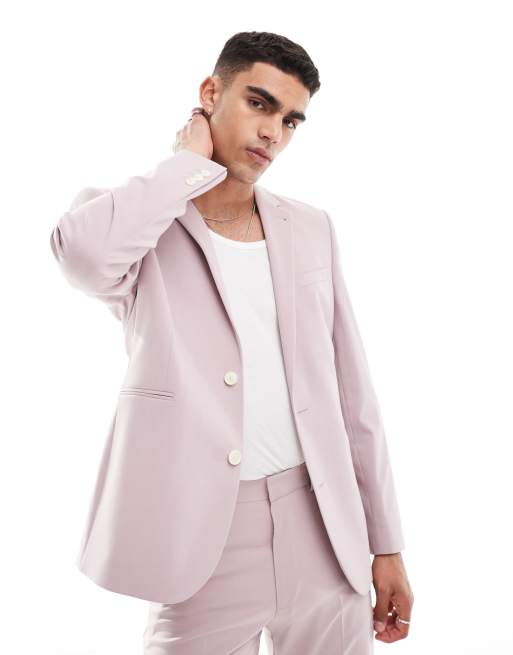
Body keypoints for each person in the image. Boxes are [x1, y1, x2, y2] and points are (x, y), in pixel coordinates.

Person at [50, 30, 413, 654]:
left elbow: (354, 397)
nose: (273, 133)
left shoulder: (311, 228)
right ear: (210, 93)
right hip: (205, 540)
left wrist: (387, 543)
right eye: (259, 103)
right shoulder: (141, 226)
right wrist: (183, 167)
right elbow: (80, 257)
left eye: (291, 120)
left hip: (326, 529)